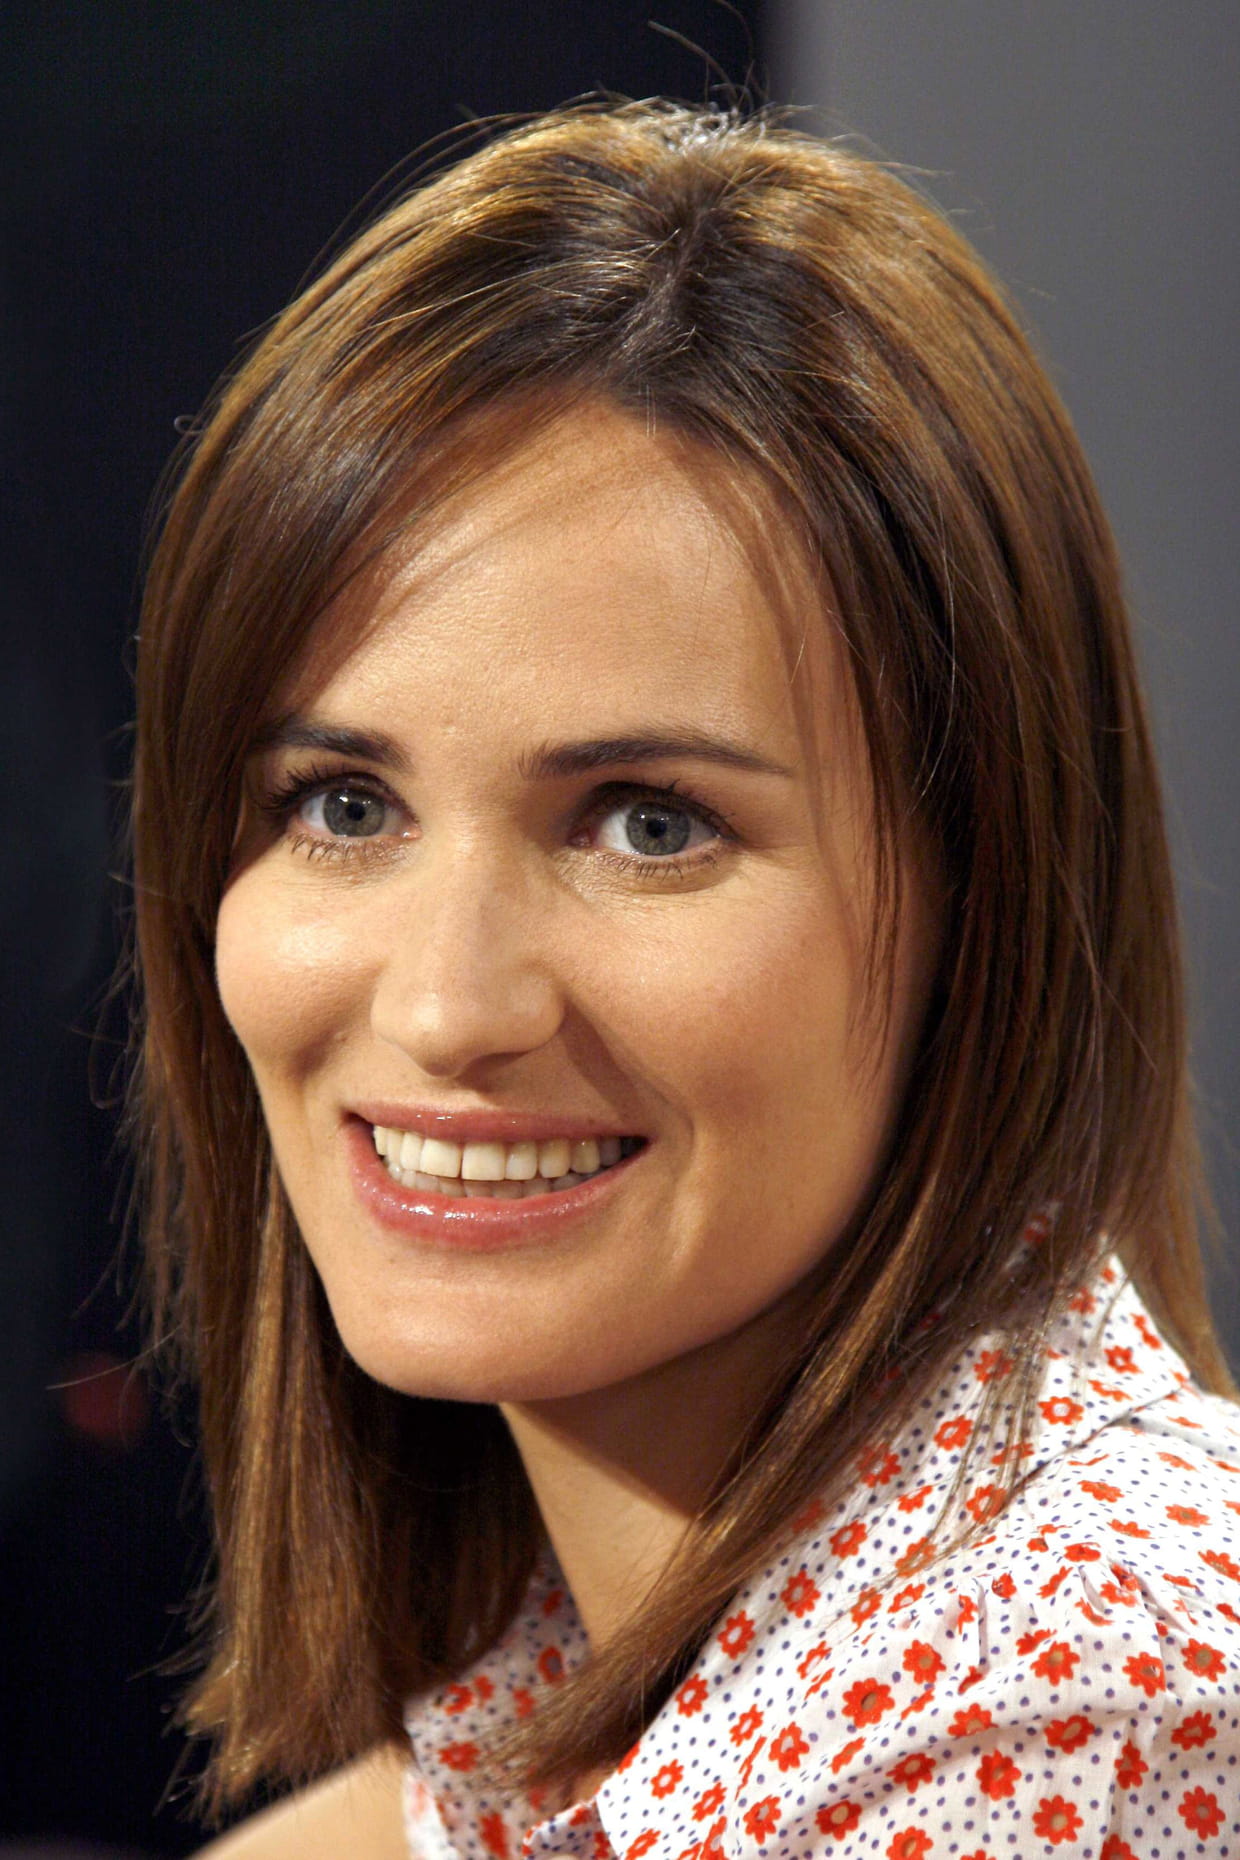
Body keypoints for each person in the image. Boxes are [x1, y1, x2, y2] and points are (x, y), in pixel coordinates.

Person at [128, 102, 1240, 1859]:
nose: (448, 1007)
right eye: (343, 806)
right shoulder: (645, 1665)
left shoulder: (1048, 1700)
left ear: (985, 897)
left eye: (649, 825)